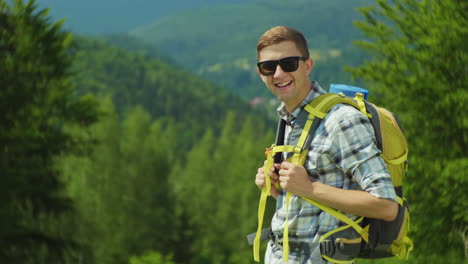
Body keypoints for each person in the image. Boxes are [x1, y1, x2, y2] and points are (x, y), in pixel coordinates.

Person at [254, 26, 398, 263]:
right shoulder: (290, 118)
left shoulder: (341, 120)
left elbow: (386, 206)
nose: (278, 74)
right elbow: (309, 202)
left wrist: (308, 188)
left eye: (289, 63)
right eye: (268, 67)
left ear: (307, 65)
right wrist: (275, 187)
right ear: (261, 73)